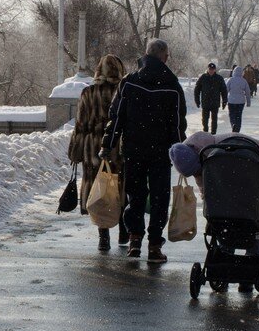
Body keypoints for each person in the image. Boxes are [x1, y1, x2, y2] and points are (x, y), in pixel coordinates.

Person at [100, 38, 187, 263]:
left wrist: (108, 145)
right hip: (160, 153)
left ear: (146, 55)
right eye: (167, 55)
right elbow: (177, 124)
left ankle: (135, 239)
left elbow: (116, 117)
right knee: (159, 199)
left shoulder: (130, 82)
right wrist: (180, 154)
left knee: (135, 195)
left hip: (134, 150)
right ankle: (155, 246)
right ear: (164, 57)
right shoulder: (171, 85)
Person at [170, 131, 259, 292]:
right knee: (231, 219)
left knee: (255, 218)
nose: (197, 174)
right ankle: (228, 263)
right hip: (242, 173)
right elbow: (205, 189)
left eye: (196, 172)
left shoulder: (212, 155)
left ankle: (249, 267)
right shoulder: (201, 155)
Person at [68, 55, 127, 251]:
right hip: (118, 146)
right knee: (119, 186)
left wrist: (75, 151)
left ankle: (103, 235)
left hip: (93, 148)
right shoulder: (124, 91)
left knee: (99, 190)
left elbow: (80, 125)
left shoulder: (88, 93)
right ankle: (124, 228)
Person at [193, 62, 227, 134]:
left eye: (213, 69)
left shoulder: (219, 78)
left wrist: (224, 101)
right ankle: (205, 131)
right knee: (205, 119)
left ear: (215, 70)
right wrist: (197, 100)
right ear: (207, 69)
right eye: (210, 69)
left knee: (214, 119)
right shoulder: (203, 77)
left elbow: (224, 90)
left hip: (215, 102)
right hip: (205, 102)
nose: (211, 71)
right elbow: (197, 89)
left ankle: (213, 133)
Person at [225, 66, 251, 133]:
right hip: (240, 101)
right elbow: (248, 92)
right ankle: (237, 129)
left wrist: (224, 100)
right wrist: (248, 102)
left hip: (231, 101)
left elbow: (226, 90)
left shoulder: (230, 80)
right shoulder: (244, 81)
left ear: (234, 72)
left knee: (232, 114)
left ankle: (233, 124)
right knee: (239, 116)